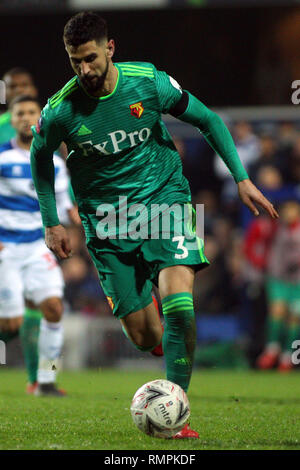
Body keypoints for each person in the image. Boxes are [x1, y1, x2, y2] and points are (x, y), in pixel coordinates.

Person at [30, 11, 278, 437]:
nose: (84, 69)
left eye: (90, 58)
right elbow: (40, 159)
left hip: (165, 204)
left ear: (110, 49)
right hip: (108, 225)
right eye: (75, 62)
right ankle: (164, 346)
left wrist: (241, 178)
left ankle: (176, 414)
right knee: (144, 337)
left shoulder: (149, 82)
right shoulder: (59, 112)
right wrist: (51, 222)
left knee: (180, 305)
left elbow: (209, 120)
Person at [0, 95, 75, 396]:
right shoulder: (2, 157)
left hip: (37, 246)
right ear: (12, 119)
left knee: (54, 308)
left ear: (38, 118)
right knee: (11, 324)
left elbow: (64, 209)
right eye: (20, 112)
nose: (26, 117)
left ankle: (46, 379)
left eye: (32, 112)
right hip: (5, 247)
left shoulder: (55, 162)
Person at [257, 200, 300, 372]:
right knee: (277, 311)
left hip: (298, 281)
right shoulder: (274, 228)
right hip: (278, 278)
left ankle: (287, 355)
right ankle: (272, 349)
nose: (289, 213)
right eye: (286, 209)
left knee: (294, 317)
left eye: (292, 209)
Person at [0, 67, 38, 145]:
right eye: (12, 86)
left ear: (34, 89)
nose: (19, 90)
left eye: (24, 85)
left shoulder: (51, 121)